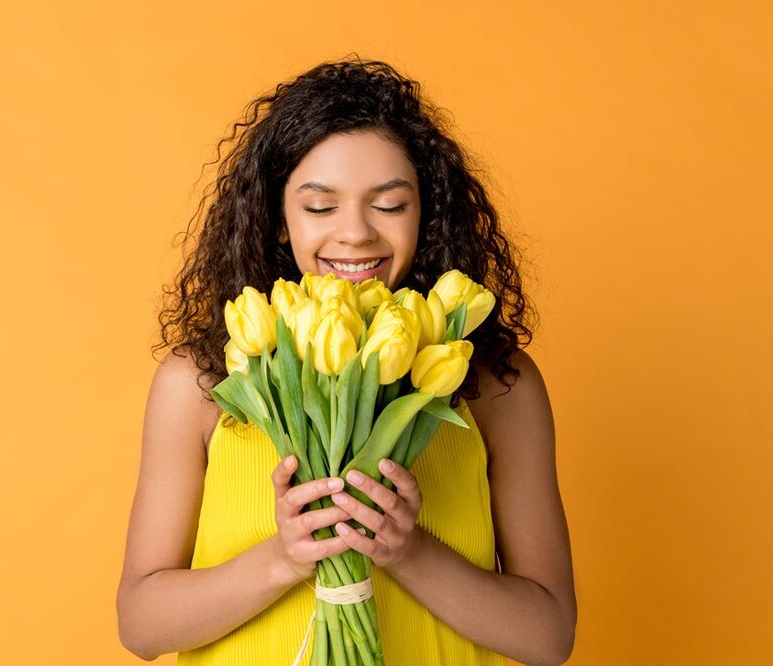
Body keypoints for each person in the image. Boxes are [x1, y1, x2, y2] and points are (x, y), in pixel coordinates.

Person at [117, 55, 576, 666]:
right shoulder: (201, 381)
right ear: (278, 220)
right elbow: (141, 626)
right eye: (319, 206)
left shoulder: (494, 385)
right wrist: (284, 556)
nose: (355, 234)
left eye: (388, 205)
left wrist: (406, 550)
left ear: (427, 215)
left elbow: (548, 638)